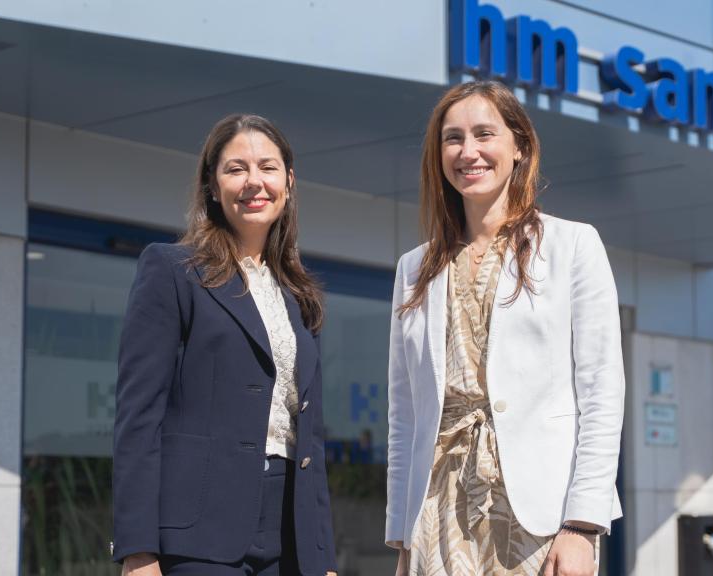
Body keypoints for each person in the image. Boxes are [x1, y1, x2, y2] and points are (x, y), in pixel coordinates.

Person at [386, 81, 624, 576]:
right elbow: (404, 411)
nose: (467, 151)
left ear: (519, 146)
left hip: (541, 515)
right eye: (453, 138)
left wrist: (582, 525)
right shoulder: (414, 268)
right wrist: (402, 533)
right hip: (438, 506)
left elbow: (602, 392)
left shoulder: (573, 246)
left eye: (484, 134)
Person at [112, 114, 337, 576]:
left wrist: (324, 556)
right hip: (199, 532)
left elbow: (310, 436)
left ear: (289, 182)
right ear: (213, 186)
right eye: (236, 169)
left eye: (268, 167)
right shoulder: (172, 270)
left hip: (291, 534)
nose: (254, 181)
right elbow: (139, 417)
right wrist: (137, 550)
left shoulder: (300, 295)